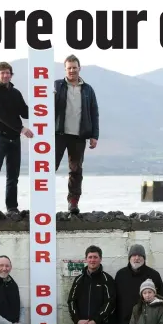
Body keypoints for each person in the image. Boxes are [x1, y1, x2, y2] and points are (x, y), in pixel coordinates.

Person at [0, 62, 34, 217]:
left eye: (8, 73)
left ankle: (12, 207)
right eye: (2, 73)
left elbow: (25, 112)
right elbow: (2, 117)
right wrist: (22, 129)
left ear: (11, 75)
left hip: (14, 139)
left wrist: (45, 105)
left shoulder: (16, 93)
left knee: (13, 175)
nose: (5, 75)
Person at [54, 55, 100, 214]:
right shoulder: (56, 86)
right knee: (49, 167)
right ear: (65, 69)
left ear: (79, 68)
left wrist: (95, 135)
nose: (72, 70)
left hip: (79, 136)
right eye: (69, 68)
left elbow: (94, 113)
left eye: (74, 67)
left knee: (76, 170)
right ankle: (43, 199)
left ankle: (73, 203)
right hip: (58, 134)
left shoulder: (88, 89)